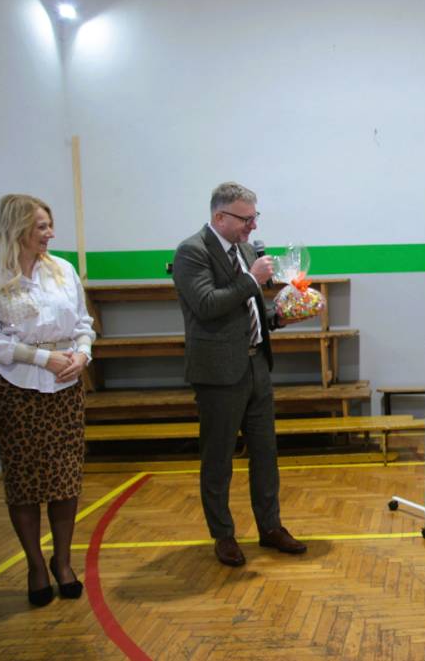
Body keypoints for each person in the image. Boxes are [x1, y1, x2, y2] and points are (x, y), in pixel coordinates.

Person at [172, 182, 306, 567]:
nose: (253, 226)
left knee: (265, 453)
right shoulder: (192, 252)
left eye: (254, 217)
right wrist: (251, 279)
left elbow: (248, 310)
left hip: (256, 365)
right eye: (246, 219)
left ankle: (270, 526)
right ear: (220, 217)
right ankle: (224, 535)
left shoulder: (246, 251)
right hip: (217, 372)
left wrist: (279, 317)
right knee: (218, 458)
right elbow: (207, 304)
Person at [0, 194, 93, 606]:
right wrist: (42, 358)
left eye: (49, 225)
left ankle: (62, 562)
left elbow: (83, 322)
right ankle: (35, 565)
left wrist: (83, 354)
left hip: (65, 387)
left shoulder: (63, 270)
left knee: (65, 481)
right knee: (25, 483)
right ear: (16, 228)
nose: (50, 233)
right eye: (41, 226)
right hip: (16, 388)